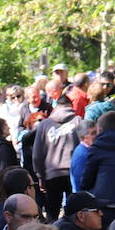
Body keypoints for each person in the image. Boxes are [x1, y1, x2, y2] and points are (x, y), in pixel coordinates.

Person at [32, 84, 81, 219]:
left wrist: (40, 176)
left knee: (52, 212)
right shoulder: (78, 122)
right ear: (70, 106)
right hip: (73, 172)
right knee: (74, 212)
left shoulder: (45, 124)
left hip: (51, 173)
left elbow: (37, 154)